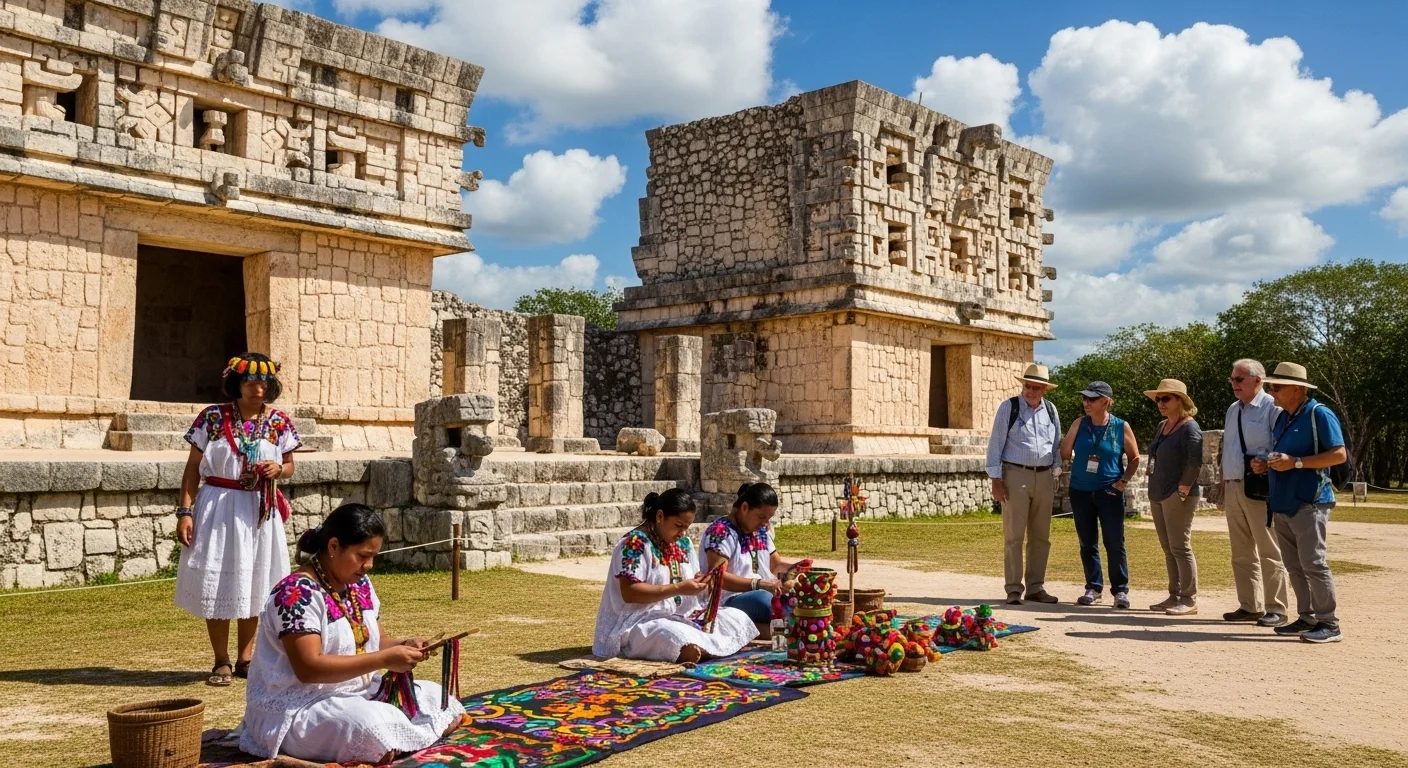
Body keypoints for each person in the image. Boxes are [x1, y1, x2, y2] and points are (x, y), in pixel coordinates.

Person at [241, 504, 463, 764]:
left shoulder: (359, 584)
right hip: (299, 708)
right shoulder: (296, 593)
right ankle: (397, 739)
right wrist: (385, 660)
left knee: (438, 699)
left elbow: (376, 641)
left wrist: (406, 645)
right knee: (370, 726)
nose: (368, 565)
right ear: (334, 547)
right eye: (362, 556)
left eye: (373, 557)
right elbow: (309, 668)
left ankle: (397, 740)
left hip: (357, 693)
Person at [175, 353, 301, 686]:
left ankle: (246, 658)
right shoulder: (212, 418)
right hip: (218, 506)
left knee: (255, 579)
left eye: (262, 382)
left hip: (259, 509)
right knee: (217, 580)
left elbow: (289, 465)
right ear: (237, 382)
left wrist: (279, 469)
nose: (256, 388)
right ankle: (221, 660)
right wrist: (185, 511)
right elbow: (192, 468)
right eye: (249, 381)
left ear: (270, 385)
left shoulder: (278, 422)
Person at [594, 489, 758, 662]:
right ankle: (708, 648)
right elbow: (630, 593)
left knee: (736, 618)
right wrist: (678, 588)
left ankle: (705, 649)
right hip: (639, 622)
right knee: (673, 637)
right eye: (679, 526)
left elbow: (691, 581)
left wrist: (703, 582)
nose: (683, 533)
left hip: (682, 615)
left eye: (686, 527)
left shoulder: (683, 543)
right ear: (659, 516)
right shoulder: (634, 544)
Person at [1260, 362, 1347, 644]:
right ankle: (1307, 617)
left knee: (1314, 563)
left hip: (1310, 502)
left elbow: (1339, 455)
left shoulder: (1320, 414)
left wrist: (1296, 463)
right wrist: (1266, 465)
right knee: (1295, 566)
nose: (1271, 392)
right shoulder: (1282, 417)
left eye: (1276, 387)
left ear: (1297, 388)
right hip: (1283, 503)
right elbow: (1282, 457)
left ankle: (1329, 623)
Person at [1219, 359, 1291, 627]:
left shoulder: (1272, 407)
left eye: (1240, 380)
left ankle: (1277, 608)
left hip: (1261, 486)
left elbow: (1282, 443)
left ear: (1258, 381)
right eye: (1233, 380)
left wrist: (1266, 461)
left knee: (1269, 549)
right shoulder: (1232, 409)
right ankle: (1249, 605)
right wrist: (1223, 482)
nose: (1234, 384)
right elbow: (1229, 449)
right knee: (1240, 551)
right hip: (1234, 485)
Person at [1058, 381, 1140, 609]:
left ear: (1106, 401)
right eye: (1085, 398)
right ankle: (1093, 587)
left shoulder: (1121, 426)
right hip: (1080, 490)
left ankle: (1120, 590)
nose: (1086, 403)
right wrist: (1070, 437)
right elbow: (1065, 454)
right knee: (1087, 542)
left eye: (1092, 399)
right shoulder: (1079, 423)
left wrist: (1122, 482)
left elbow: (1134, 458)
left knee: (1114, 542)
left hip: (1109, 491)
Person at [986, 363, 1062, 605]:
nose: (1030, 391)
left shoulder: (1050, 410)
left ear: (1044, 390)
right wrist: (996, 480)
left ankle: (1036, 587)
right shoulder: (1009, 407)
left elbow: (1056, 443)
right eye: (1027, 386)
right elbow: (995, 444)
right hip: (1015, 474)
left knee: (1041, 535)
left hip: (1045, 475)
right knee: (1014, 535)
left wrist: (1056, 472)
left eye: (1036, 387)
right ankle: (1013, 589)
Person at [701, 482, 811, 625]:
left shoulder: (760, 531)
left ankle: (771, 630)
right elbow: (717, 577)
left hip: (761, 591)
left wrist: (795, 569)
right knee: (767, 602)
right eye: (761, 516)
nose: (765, 523)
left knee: (804, 597)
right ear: (745, 508)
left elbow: (775, 565)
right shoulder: (720, 531)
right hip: (728, 598)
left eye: (768, 518)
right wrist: (758, 584)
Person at [1144, 379, 1204, 616]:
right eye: (1158, 399)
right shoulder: (1162, 425)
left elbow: (1194, 462)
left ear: (1180, 400)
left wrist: (1183, 489)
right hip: (1158, 492)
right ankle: (1174, 594)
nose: (1160, 403)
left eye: (1166, 398)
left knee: (1181, 546)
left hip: (1177, 495)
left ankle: (1188, 599)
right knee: (1169, 548)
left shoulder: (1190, 427)